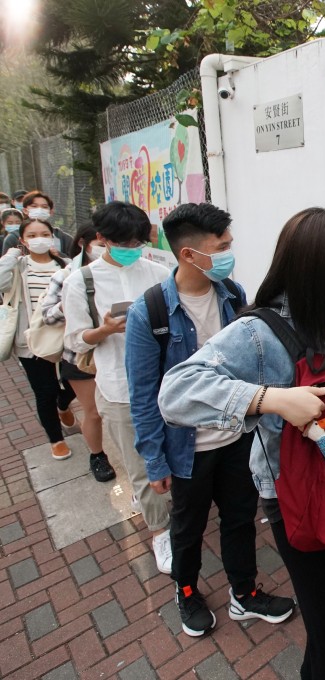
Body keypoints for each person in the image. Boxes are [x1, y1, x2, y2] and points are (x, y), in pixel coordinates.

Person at [159, 207, 325, 680]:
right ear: (313, 267)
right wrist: (269, 399)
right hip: (300, 499)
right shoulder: (260, 333)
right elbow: (176, 391)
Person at [125, 203, 294, 637]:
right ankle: (186, 592)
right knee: (188, 526)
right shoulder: (150, 313)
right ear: (188, 255)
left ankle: (245, 593)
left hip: (237, 435)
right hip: (186, 449)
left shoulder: (232, 294)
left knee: (240, 518)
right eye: (221, 248)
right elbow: (143, 396)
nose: (229, 254)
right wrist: (154, 461)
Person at [63, 201, 173, 572]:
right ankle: (160, 533)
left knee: (170, 453)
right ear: (101, 239)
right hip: (118, 387)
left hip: (165, 381)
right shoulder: (82, 281)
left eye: (137, 242)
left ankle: (165, 508)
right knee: (140, 463)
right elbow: (76, 340)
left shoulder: (159, 272)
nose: (132, 249)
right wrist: (106, 329)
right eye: (123, 242)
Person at [38, 223, 116, 482]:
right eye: (102, 244)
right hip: (82, 357)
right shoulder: (68, 275)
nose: (106, 249)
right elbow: (48, 316)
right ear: (85, 243)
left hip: (116, 352)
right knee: (93, 411)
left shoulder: (124, 273)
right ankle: (98, 455)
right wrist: (72, 300)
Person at [0, 218, 78, 459]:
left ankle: (63, 404)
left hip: (68, 336)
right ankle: (56, 439)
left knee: (74, 384)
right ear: (22, 240)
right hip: (32, 340)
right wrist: (10, 256)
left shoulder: (65, 265)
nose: (39, 239)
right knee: (45, 391)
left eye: (44, 233)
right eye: (32, 235)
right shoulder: (17, 267)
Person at [2, 191, 73, 255]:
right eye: (34, 206)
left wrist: (58, 255)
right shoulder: (13, 238)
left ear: (51, 211)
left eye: (44, 207)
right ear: (25, 210)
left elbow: (74, 264)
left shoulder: (64, 239)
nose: (39, 209)